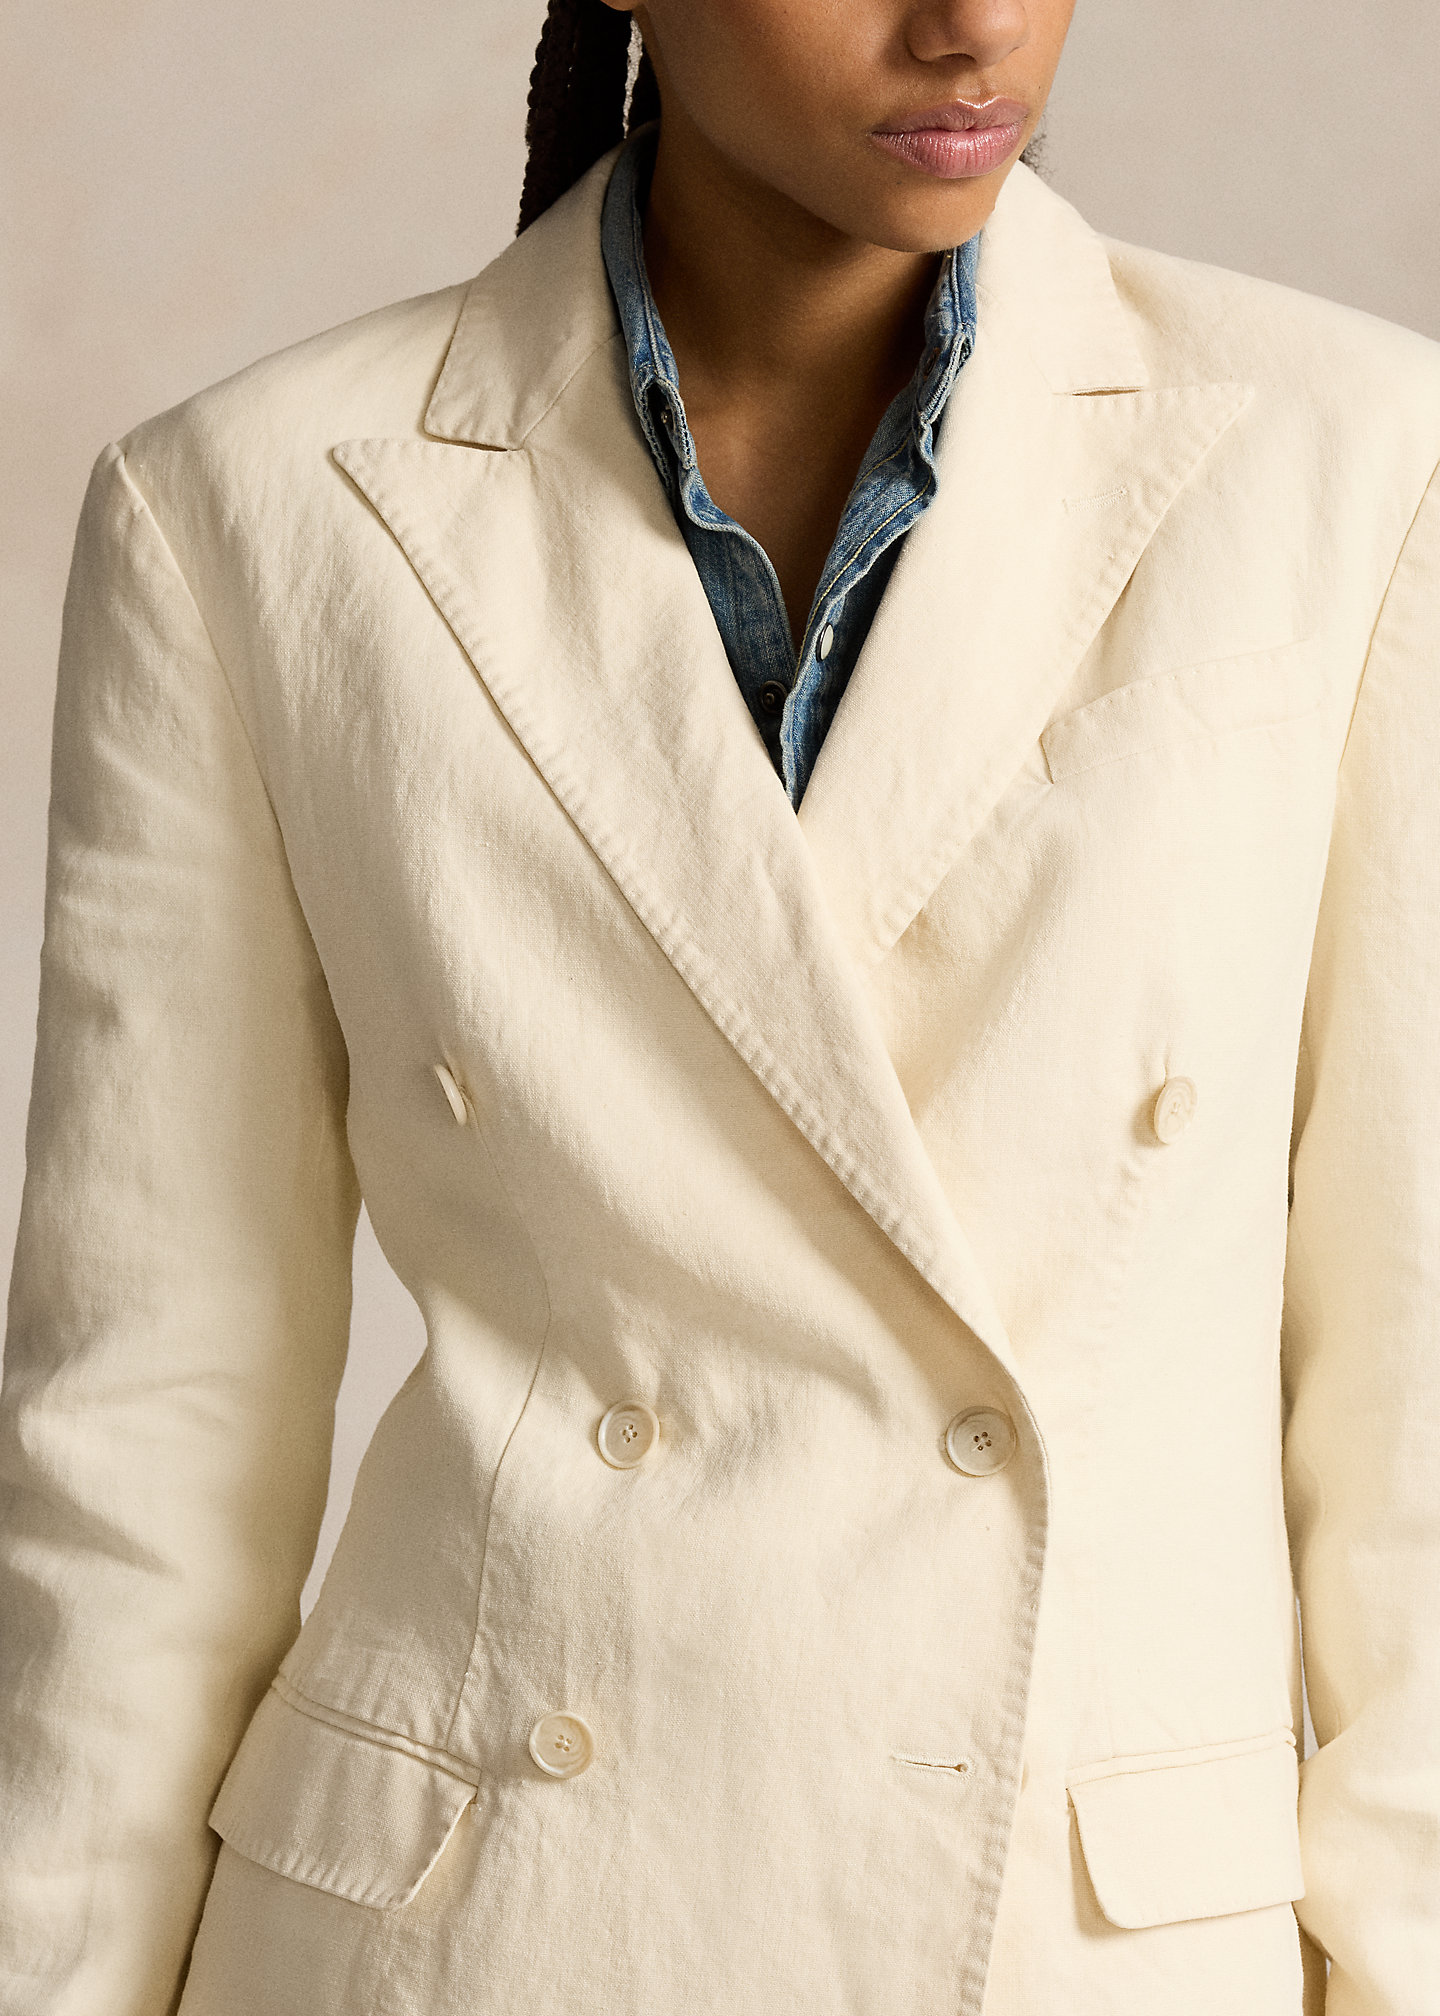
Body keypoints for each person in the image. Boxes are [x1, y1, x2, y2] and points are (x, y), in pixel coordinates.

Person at [1, 0, 1437, 2010]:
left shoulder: (1356, 463)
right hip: (473, 1944)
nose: (973, 25)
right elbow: (145, 1430)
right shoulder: (247, 506)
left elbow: (1413, 1406)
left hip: (1077, 1948)